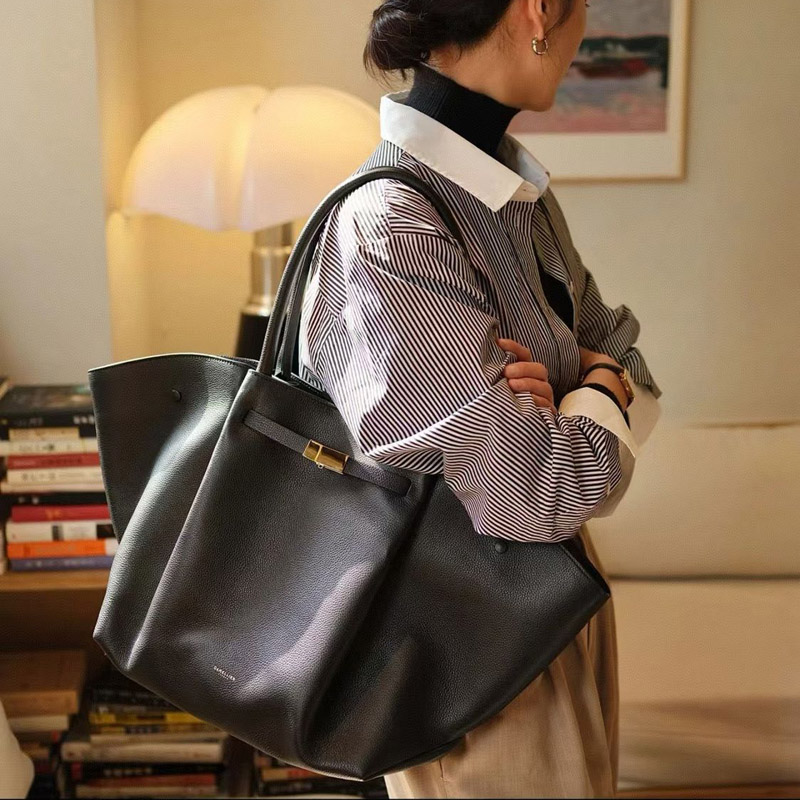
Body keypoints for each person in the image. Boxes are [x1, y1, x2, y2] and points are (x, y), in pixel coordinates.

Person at [297, 0, 664, 796]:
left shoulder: (516, 194)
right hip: (471, 640)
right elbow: (540, 490)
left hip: (558, 603)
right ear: (535, 11)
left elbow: (633, 362)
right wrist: (595, 385)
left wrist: (569, 399)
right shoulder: (391, 222)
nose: (586, 29)